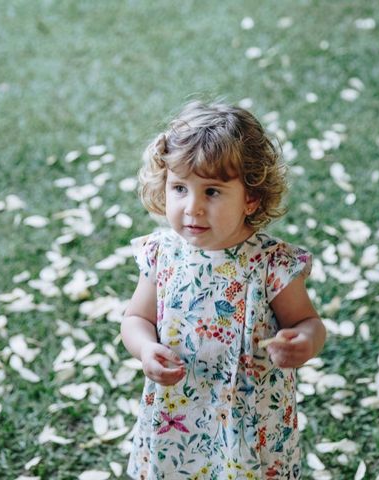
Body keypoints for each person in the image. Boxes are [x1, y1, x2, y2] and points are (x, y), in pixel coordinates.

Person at [121, 101, 326, 480]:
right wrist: (145, 349)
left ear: (251, 197)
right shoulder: (162, 254)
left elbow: (307, 321)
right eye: (180, 188)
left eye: (212, 192)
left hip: (250, 422)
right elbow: (136, 318)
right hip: (177, 414)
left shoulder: (271, 264)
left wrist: (304, 342)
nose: (192, 208)